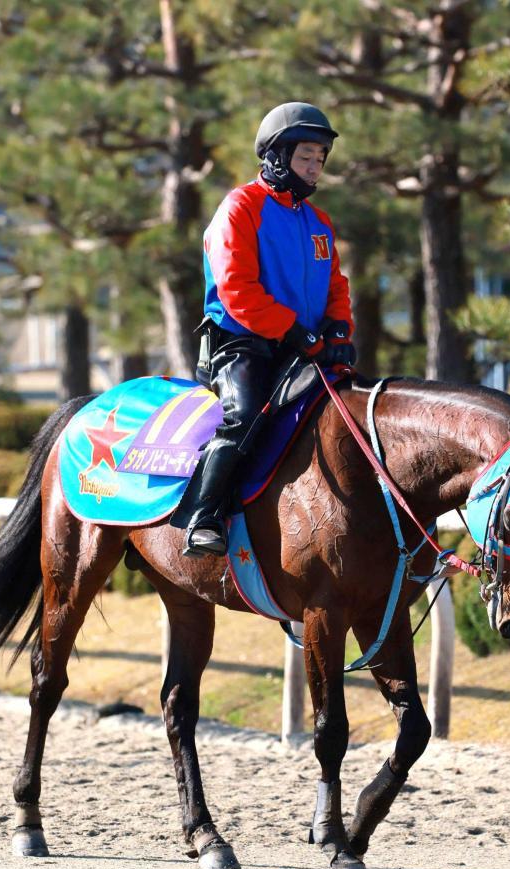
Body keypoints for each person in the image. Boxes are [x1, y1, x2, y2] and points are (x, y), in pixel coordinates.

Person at [169, 102, 356, 557]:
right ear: (276, 156)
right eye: (305, 158)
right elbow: (238, 290)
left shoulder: (319, 223)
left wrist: (338, 332)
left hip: (303, 348)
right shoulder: (239, 209)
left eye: (319, 159)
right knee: (245, 416)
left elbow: (336, 285)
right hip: (242, 345)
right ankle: (204, 518)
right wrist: (294, 331)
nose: (314, 168)